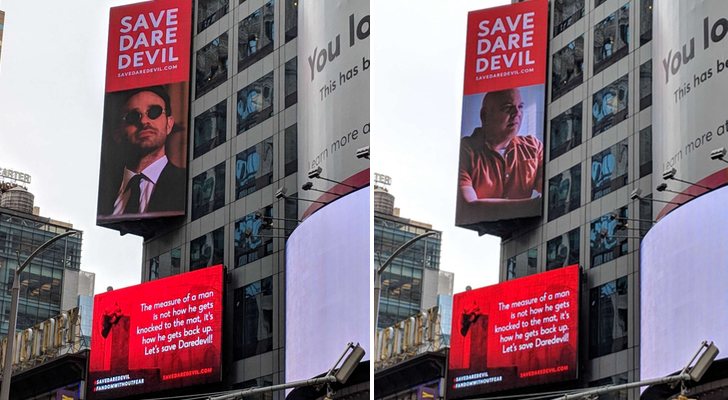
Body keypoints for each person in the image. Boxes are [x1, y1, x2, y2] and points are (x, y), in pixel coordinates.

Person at [98, 86, 186, 217]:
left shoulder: (185, 183)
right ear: (118, 133)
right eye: (133, 116)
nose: (144, 121)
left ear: (169, 124)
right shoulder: (106, 189)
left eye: (154, 112)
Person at [458, 88, 543, 219]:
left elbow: (549, 192)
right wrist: (532, 206)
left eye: (520, 107)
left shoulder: (533, 146)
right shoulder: (467, 150)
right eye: (508, 108)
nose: (517, 113)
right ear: (484, 115)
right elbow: (469, 206)